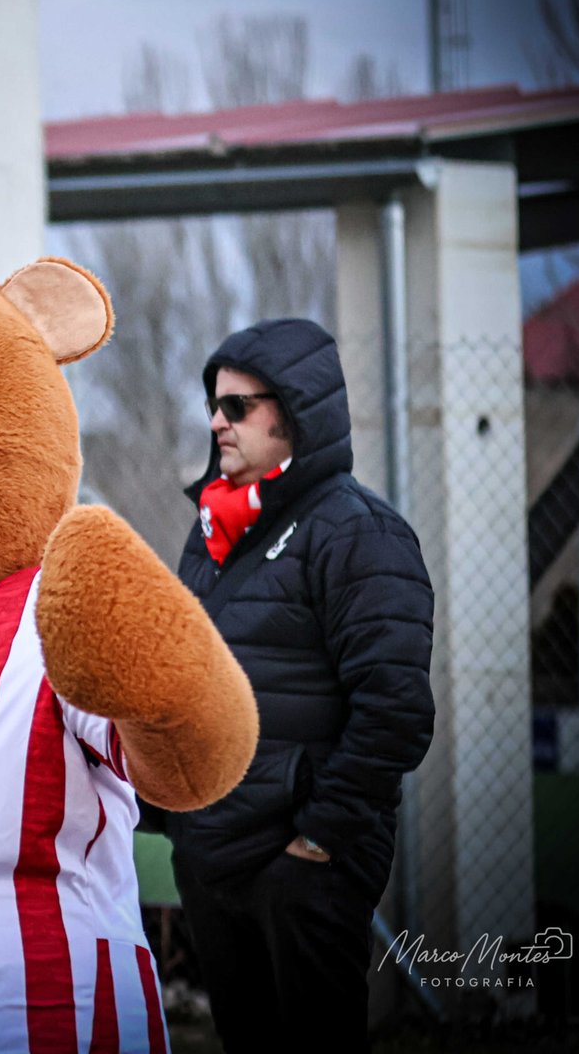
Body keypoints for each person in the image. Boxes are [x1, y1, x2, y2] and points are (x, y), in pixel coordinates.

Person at [166, 317, 434, 1053]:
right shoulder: (213, 529)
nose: (218, 423)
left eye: (239, 407)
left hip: (300, 867)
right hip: (213, 860)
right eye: (215, 406)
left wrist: (316, 842)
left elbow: (396, 710)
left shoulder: (361, 533)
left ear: (295, 409)